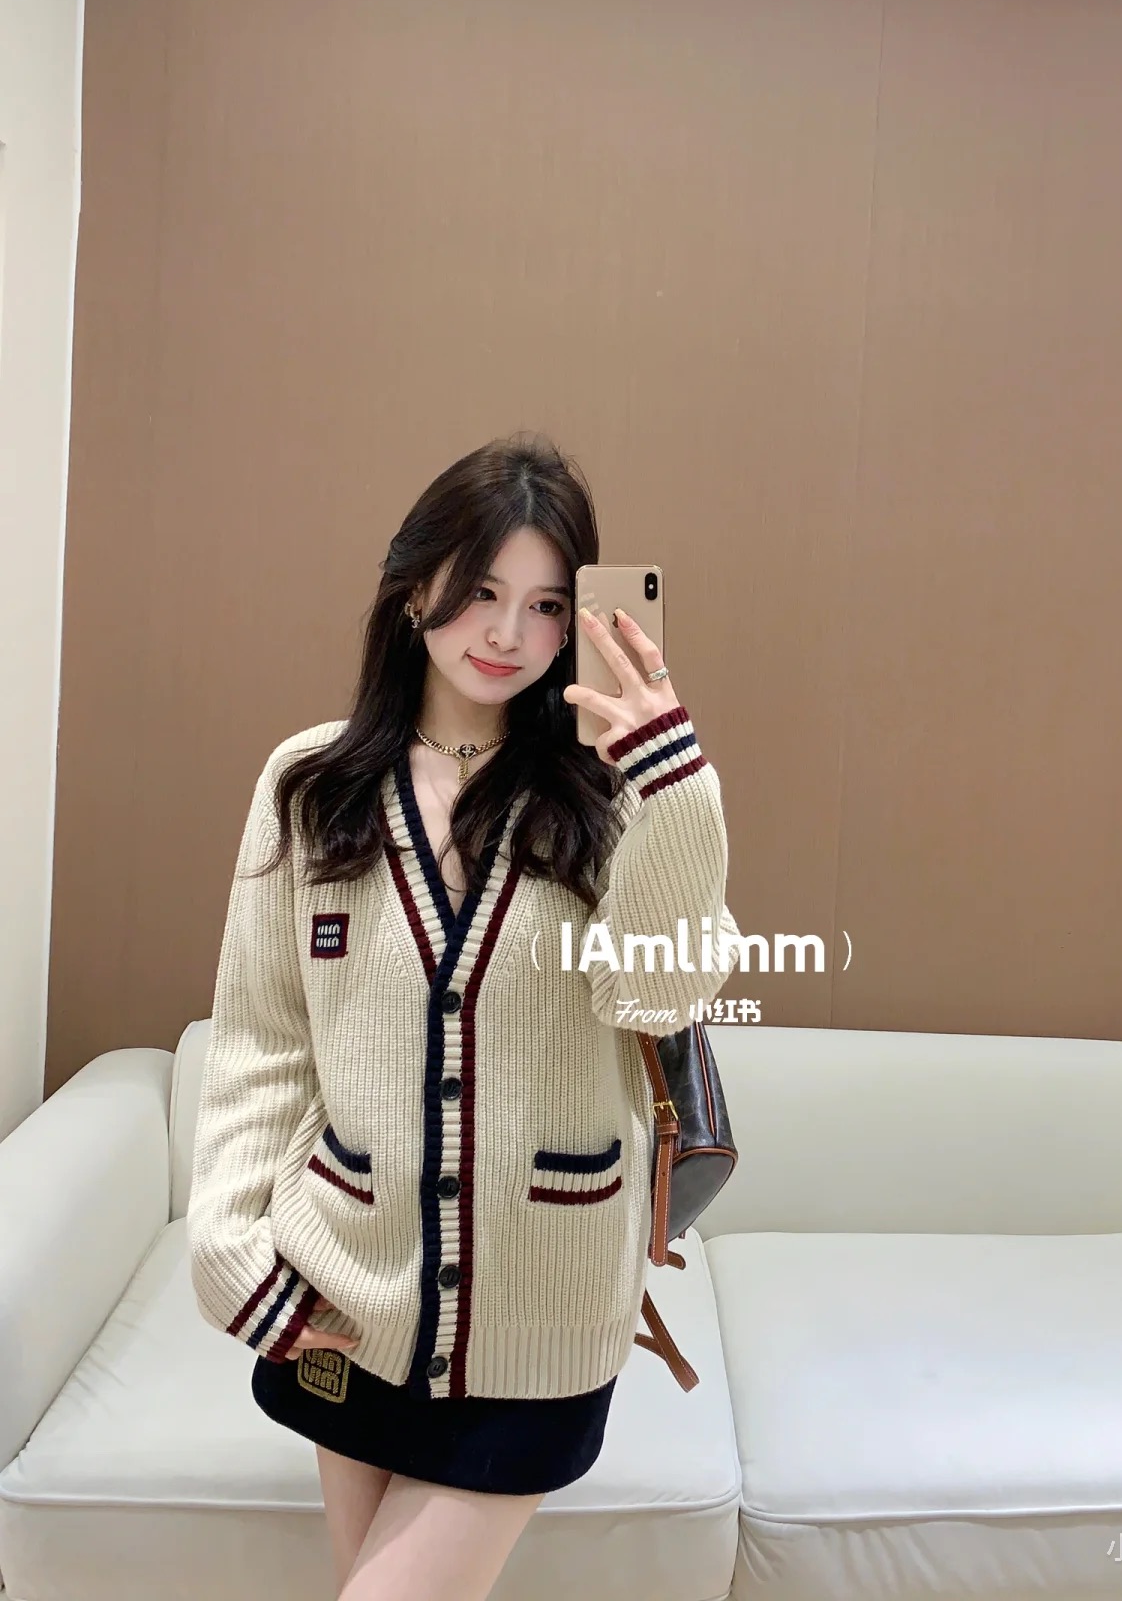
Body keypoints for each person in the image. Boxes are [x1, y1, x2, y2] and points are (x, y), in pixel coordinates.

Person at [186, 431, 741, 1600]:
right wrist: (235, 1255)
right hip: (344, 1298)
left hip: (539, 1322)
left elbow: (660, 992)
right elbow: (265, 1042)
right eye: (480, 591)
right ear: (413, 587)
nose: (507, 634)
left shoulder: (609, 796)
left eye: (546, 606)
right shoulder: (311, 785)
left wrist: (675, 783)